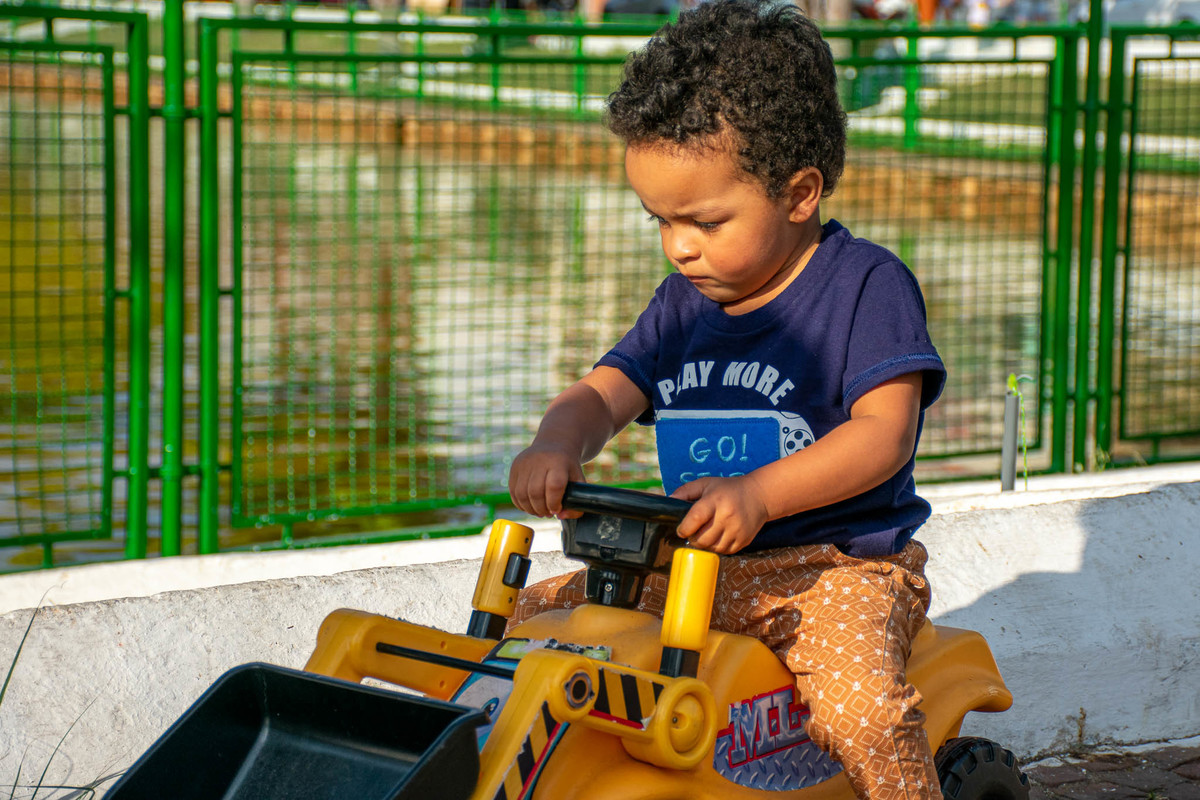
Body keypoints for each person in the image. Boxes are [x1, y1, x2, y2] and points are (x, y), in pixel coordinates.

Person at [506, 1, 946, 797]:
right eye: (660, 221)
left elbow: (885, 435)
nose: (678, 245)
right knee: (525, 630)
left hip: (831, 571)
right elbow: (602, 394)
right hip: (689, 563)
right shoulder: (681, 305)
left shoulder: (865, 287)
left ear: (799, 192)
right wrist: (557, 444)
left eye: (705, 220)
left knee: (864, 714)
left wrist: (759, 494)